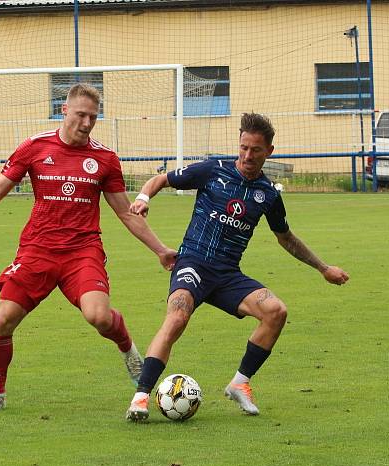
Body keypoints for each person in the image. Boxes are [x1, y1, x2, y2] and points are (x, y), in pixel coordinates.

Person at [0, 83, 177, 413]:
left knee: (100, 317)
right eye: (81, 114)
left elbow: (124, 212)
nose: (87, 122)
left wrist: (160, 249)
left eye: (93, 117)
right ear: (64, 111)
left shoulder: (104, 158)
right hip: (37, 250)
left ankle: (127, 347)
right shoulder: (35, 147)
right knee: (4, 320)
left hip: (82, 252)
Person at [125, 113, 349, 421]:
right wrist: (143, 197)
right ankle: (140, 398)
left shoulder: (268, 195)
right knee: (177, 317)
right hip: (193, 262)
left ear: (269, 151)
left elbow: (286, 238)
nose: (247, 155)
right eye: (243, 147)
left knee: (276, 311)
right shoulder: (211, 171)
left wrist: (323, 268)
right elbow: (161, 179)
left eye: (255, 150)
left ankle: (239, 384)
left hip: (227, 274)